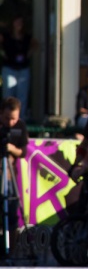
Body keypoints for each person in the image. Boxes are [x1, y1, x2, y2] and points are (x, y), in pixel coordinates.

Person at [0, 97, 28, 258]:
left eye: (14, 119)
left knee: (11, 210)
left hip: (10, 174)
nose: (10, 123)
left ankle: (13, 249)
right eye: (6, 118)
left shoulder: (21, 126)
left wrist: (11, 149)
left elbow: (23, 152)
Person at [0, 14, 39, 119]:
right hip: (9, 68)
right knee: (8, 95)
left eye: (20, 22)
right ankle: (5, 118)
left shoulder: (26, 37)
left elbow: (35, 44)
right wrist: (3, 53)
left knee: (22, 96)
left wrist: (28, 54)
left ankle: (20, 119)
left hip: (23, 68)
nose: (18, 25)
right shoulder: (6, 36)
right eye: (16, 22)